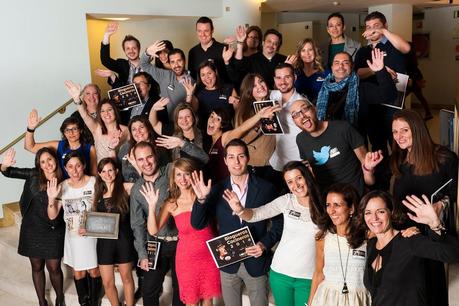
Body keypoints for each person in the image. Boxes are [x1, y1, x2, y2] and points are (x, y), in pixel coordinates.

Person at [191, 139, 283, 306]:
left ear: (247, 158)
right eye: (231, 157)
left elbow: (279, 225)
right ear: (225, 161)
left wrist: (264, 245)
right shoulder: (217, 189)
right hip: (228, 265)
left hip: (256, 261)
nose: (237, 162)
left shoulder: (266, 188)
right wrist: (201, 199)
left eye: (241, 156)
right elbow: (197, 224)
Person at [224, 161, 324, 306]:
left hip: (309, 277)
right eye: (290, 182)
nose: (296, 185)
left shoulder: (326, 204)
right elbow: (256, 214)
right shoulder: (286, 201)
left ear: (307, 176)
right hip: (280, 274)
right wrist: (240, 209)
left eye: (299, 178)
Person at [389, 109, 457, 306]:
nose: (398, 137)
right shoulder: (397, 159)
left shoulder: (445, 158)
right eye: (394, 132)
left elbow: (453, 194)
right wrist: (368, 170)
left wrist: (439, 205)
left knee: (431, 290)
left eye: (404, 130)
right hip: (403, 233)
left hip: (430, 233)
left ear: (417, 130)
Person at [130, 140, 208, 306]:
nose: (146, 163)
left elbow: (203, 159)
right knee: (149, 289)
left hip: (182, 242)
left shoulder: (172, 171)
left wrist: (182, 143)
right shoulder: (137, 189)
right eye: (141, 159)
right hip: (156, 244)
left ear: (155, 156)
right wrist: (142, 253)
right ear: (135, 162)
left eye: (149, 157)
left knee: (180, 289)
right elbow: (137, 224)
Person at [141, 158, 221, 305]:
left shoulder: (205, 195)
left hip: (209, 255)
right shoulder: (172, 203)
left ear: (194, 175)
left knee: (208, 299)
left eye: (186, 174)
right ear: (173, 178)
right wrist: (152, 206)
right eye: (178, 175)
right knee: (191, 301)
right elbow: (153, 230)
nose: (183, 179)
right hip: (187, 259)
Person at [359, 190, 459, 306]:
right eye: (368, 213)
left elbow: (454, 254)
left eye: (380, 211)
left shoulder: (409, 240)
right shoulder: (371, 245)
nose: (374, 218)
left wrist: (435, 225)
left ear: (391, 212)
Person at [0, 148, 65, 306]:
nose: (47, 164)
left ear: (55, 159)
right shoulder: (33, 175)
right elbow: (8, 172)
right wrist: (4, 165)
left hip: (53, 228)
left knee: (54, 267)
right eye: (42, 162)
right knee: (37, 267)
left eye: (49, 159)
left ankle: (60, 298)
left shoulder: (65, 179)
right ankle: (42, 301)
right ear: (39, 165)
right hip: (32, 227)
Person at [290, 99, 382, 195]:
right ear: (294, 122)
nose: (302, 116)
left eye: (304, 109)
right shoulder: (300, 140)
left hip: (355, 195)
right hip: (328, 201)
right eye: (295, 115)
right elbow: (311, 171)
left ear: (314, 109)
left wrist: (369, 180)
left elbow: (366, 167)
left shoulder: (343, 128)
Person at [47, 151, 101, 306]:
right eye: (70, 167)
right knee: (78, 271)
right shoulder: (62, 186)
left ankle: (94, 301)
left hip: (92, 235)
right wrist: (51, 199)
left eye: (78, 165)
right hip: (73, 236)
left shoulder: (94, 182)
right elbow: (52, 215)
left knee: (94, 270)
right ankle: (83, 302)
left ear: (84, 165)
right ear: (65, 168)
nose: (75, 170)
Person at [354, 11, 411, 160]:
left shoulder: (393, 45)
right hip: (372, 105)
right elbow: (358, 73)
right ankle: (382, 178)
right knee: (378, 145)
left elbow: (406, 48)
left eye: (376, 26)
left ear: (385, 25)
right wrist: (378, 70)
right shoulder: (363, 51)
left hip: (394, 104)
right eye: (368, 26)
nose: (372, 30)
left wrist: (383, 31)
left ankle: (402, 174)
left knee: (399, 144)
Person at [308, 183, 369, 306]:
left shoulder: (368, 236)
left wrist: (407, 232)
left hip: (357, 301)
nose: (331, 210)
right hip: (326, 299)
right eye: (328, 205)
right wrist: (309, 303)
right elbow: (319, 273)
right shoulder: (323, 237)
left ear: (351, 208)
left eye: (337, 205)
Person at [316, 49, 397, 130]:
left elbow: (390, 95)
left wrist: (380, 71)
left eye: (345, 63)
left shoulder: (362, 88)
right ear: (332, 67)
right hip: (327, 139)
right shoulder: (324, 89)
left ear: (352, 67)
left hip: (353, 140)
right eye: (337, 63)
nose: (340, 66)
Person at [94, 158, 136, 306]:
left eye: (110, 170)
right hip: (105, 243)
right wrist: (85, 228)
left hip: (124, 240)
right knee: (107, 282)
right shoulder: (98, 194)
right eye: (103, 171)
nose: (107, 174)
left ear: (116, 171)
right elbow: (94, 219)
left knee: (126, 277)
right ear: (99, 174)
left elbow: (145, 183)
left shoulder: (126, 188)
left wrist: (136, 165)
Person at [204, 104, 280, 184]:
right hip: (214, 188)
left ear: (223, 124)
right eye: (211, 116)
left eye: (218, 119)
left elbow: (241, 129)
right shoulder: (207, 143)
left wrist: (259, 115)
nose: (212, 120)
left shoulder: (224, 138)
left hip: (227, 189)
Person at [66, 81, 130, 162]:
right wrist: (77, 99)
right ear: (100, 114)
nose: (106, 113)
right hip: (101, 171)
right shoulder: (97, 128)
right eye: (102, 111)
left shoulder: (126, 130)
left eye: (109, 110)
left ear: (115, 111)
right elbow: (85, 115)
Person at [25, 111, 97, 178]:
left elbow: (94, 175)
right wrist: (30, 129)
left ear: (80, 130)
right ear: (64, 133)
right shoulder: (58, 145)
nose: (71, 133)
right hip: (63, 186)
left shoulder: (90, 148)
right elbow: (30, 147)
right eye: (67, 130)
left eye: (74, 129)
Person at [234, 74, 276, 178]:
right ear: (249, 91)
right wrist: (259, 123)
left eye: (261, 82)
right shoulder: (244, 110)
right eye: (254, 85)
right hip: (256, 164)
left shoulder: (274, 102)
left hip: (275, 162)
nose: (260, 86)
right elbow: (241, 139)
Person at [141, 43, 198, 118]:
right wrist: (147, 52)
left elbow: (194, 110)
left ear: (184, 61)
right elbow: (144, 64)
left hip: (184, 123)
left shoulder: (191, 82)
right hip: (168, 123)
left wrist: (190, 95)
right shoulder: (164, 75)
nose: (176, 65)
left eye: (179, 61)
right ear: (169, 63)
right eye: (173, 62)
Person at [268, 63, 305, 175]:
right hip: (276, 161)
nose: (282, 82)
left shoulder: (303, 104)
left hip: (296, 164)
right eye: (279, 78)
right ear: (274, 79)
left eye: (287, 77)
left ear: (295, 78)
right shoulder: (272, 96)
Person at [118, 115, 169, 184]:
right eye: (134, 129)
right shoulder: (125, 148)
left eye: (141, 127)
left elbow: (162, 178)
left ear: (148, 128)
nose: (138, 131)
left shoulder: (160, 148)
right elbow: (116, 170)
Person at [194, 60, 238, 127]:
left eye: (209, 73)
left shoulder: (228, 89)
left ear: (215, 72)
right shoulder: (198, 94)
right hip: (207, 133)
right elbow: (192, 113)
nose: (206, 77)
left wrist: (237, 102)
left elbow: (239, 113)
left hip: (227, 132)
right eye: (203, 75)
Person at [188, 16, 228, 82]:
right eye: (199, 31)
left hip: (220, 91)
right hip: (200, 91)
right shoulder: (192, 52)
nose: (203, 34)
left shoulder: (223, 49)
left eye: (206, 31)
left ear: (212, 30)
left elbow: (233, 77)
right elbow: (192, 77)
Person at [100, 22, 142, 86]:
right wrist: (107, 35)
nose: (131, 51)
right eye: (127, 48)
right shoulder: (121, 65)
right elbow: (105, 60)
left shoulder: (148, 66)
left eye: (134, 48)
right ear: (124, 51)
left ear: (139, 49)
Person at [294, 38, 330, 103]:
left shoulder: (326, 73)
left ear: (315, 51)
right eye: (303, 50)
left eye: (310, 50)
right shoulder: (294, 73)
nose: (307, 53)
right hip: (298, 111)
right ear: (299, 54)